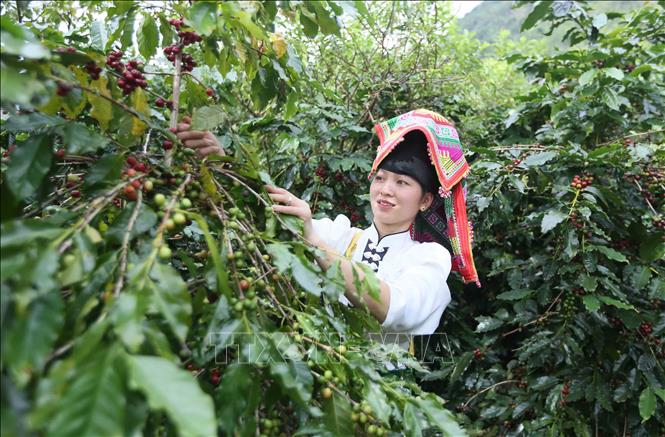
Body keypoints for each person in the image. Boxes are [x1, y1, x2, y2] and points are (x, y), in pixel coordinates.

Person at [177, 109, 480, 351]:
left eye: (402, 183)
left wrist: (312, 239)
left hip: (384, 404)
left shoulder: (429, 257)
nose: (386, 190)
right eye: (380, 178)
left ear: (426, 200)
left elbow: (393, 307)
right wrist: (225, 166)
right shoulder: (344, 236)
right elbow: (274, 217)